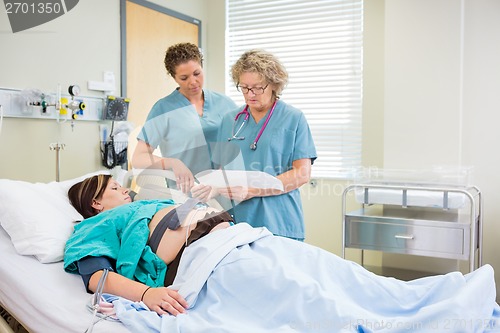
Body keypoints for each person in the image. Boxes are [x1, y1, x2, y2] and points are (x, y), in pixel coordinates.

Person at [63, 174, 234, 317]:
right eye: (115, 188)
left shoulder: (144, 205)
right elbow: (96, 277)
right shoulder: (93, 227)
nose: (125, 190)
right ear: (96, 203)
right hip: (190, 253)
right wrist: (146, 294)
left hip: (221, 236)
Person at [216, 49, 317, 241]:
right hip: (236, 222)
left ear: (273, 84)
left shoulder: (293, 118)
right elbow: (223, 169)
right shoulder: (230, 120)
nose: (250, 94)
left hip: (278, 220)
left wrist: (253, 190)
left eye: (257, 87)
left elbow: (302, 174)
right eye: (244, 88)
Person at [132, 42, 237, 194]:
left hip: (225, 189)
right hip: (188, 194)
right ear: (174, 77)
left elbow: (240, 141)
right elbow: (138, 158)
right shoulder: (163, 109)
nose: (193, 82)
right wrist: (172, 163)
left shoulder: (224, 103)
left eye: (197, 73)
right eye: (184, 77)